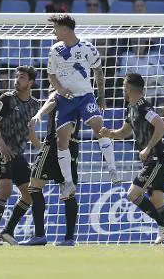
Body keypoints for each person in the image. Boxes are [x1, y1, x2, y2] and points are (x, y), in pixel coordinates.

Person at [100, 73, 164, 246]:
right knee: (157, 202)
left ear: (128, 88)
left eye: (123, 86)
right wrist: (109, 133)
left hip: (156, 158)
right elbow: (124, 132)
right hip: (152, 159)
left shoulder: (143, 107)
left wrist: (148, 148)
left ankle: (163, 225)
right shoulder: (131, 108)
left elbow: (161, 125)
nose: (121, 89)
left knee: (133, 194)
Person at [46, 14, 119, 201]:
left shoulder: (88, 48)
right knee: (62, 141)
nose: (53, 32)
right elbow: (51, 75)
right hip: (65, 101)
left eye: (55, 28)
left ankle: (112, 168)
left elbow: (99, 72)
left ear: (64, 29)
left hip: (85, 97)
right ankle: (68, 183)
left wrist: (101, 97)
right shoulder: (55, 50)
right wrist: (60, 89)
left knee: (100, 128)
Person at [0, 65, 41, 245]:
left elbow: (30, 133)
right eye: (16, 77)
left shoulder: (35, 105)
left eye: (22, 77)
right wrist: (1, 144)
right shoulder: (6, 99)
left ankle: (8, 231)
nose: (17, 80)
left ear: (31, 82)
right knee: (6, 190)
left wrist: (42, 147)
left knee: (29, 195)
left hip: (17, 153)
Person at [22, 89, 81, 246]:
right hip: (72, 146)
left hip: (54, 144)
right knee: (68, 190)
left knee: (34, 186)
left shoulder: (58, 92)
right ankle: (69, 239)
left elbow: (52, 101)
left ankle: (40, 235)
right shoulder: (79, 94)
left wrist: (38, 115)